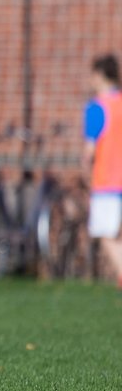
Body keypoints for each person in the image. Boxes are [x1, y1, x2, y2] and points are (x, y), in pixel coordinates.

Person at [83, 53, 122, 286]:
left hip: (107, 179)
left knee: (105, 233)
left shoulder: (98, 107)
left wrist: (85, 167)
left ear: (99, 76)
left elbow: (90, 148)